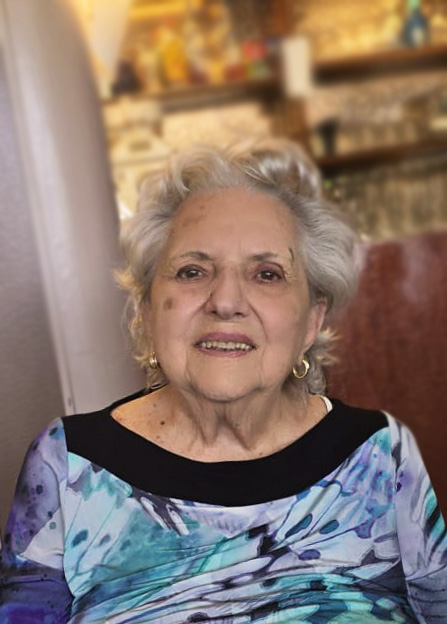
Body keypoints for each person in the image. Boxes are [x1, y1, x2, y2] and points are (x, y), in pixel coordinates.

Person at [1, 139, 446, 623]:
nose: (226, 302)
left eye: (267, 274)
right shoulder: (67, 463)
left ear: (312, 321)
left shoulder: (381, 452)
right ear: (147, 310)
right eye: (192, 271)